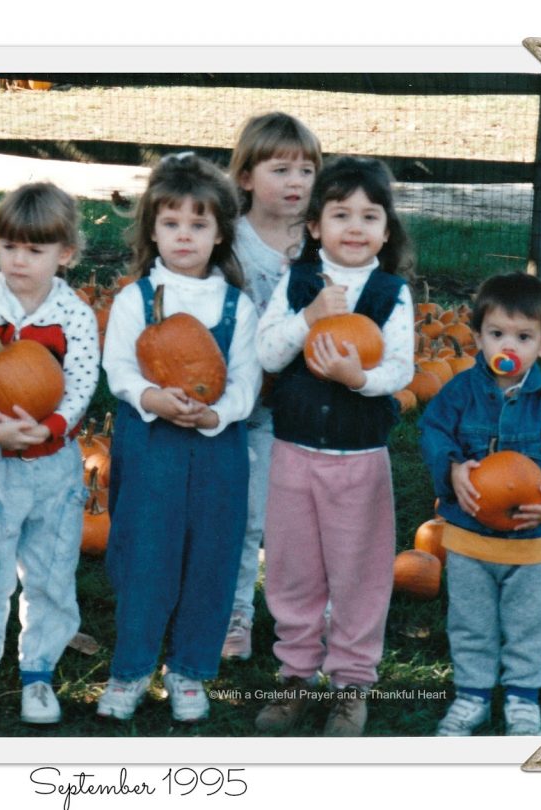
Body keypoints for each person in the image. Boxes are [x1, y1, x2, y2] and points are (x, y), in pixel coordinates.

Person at [97, 152, 261, 723]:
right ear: (152, 230)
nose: (184, 236)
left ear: (220, 235)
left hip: (217, 451)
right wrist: (152, 398)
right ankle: (132, 668)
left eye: (198, 224)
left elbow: (246, 380)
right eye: (171, 223)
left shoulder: (237, 308)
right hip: (151, 449)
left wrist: (216, 416)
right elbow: (118, 367)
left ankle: (190, 668)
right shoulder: (134, 300)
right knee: (147, 556)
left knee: (211, 556)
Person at [254, 156, 415, 735]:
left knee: (359, 573)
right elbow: (267, 354)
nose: (355, 225)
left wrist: (359, 380)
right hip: (294, 454)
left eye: (369, 216)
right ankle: (295, 675)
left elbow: (400, 366)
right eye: (340, 212)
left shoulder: (392, 294)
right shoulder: (296, 283)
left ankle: (351, 684)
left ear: (386, 230)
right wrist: (309, 317)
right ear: (315, 225)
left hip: (359, 461)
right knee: (293, 571)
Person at [0, 182, 98, 725]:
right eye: (9, 247)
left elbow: (80, 383)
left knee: (52, 571)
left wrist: (51, 427)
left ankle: (39, 672)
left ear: (64, 254)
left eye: (34, 250)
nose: (19, 260)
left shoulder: (72, 313)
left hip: (56, 468)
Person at [419, 273, 541, 736]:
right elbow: (434, 431)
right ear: (477, 337)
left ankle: (522, 696)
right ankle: (472, 694)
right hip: (470, 539)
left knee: (531, 622)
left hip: (533, 544)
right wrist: (452, 469)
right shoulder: (459, 392)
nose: (507, 345)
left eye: (523, 336)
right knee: (470, 621)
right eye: (496, 334)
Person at [222, 112, 321, 661]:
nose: (296, 182)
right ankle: (237, 612)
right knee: (248, 514)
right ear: (245, 177)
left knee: (305, 518)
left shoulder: (322, 239)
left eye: (307, 169)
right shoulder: (230, 243)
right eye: (280, 168)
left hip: (311, 401)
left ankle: (311, 614)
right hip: (252, 402)